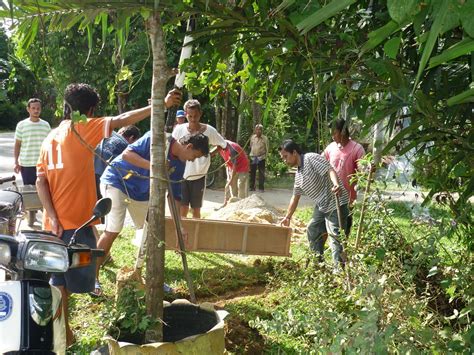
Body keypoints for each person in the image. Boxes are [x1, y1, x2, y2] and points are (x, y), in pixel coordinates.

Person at [36, 83, 180, 347]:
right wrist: (161, 105)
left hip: (53, 224)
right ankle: (61, 335)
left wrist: (52, 217)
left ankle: (62, 335)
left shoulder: (50, 136)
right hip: (75, 224)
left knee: (58, 281)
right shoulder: (83, 127)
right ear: (91, 111)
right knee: (75, 281)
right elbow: (121, 120)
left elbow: (40, 181)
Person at [95, 132, 210, 295]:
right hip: (116, 181)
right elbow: (127, 155)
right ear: (189, 146)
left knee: (154, 233)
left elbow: (174, 197)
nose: (193, 160)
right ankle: (93, 278)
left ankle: (152, 278)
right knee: (113, 229)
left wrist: (180, 227)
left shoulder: (181, 164)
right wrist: (155, 166)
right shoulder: (158, 138)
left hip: (141, 194)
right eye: (195, 156)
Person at [279, 139, 350, 268]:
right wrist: (287, 217)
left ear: (294, 152)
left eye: (285, 156)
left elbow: (330, 170)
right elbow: (295, 197)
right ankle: (318, 264)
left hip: (335, 202)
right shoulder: (298, 174)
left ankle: (339, 271)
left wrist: (336, 184)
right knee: (313, 229)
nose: (284, 160)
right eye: (283, 158)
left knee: (335, 237)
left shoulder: (310, 158)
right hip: (322, 205)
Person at [172, 99, 227, 218]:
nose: (192, 119)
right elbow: (172, 147)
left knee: (196, 209)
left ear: (200, 114)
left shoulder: (209, 131)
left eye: (195, 116)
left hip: (199, 175)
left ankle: (195, 233)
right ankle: (182, 232)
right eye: (189, 116)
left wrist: (208, 154)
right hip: (181, 175)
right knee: (182, 207)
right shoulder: (179, 130)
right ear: (186, 115)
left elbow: (222, 144)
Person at [14, 98, 51, 226]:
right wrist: (16, 162)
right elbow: (17, 145)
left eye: (38, 108)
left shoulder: (46, 125)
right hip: (26, 163)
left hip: (43, 164)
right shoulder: (21, 125)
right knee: (30, 191)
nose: (36, 110)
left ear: (41, 109)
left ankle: (46, 215)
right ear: (28, 109)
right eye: (33, 108)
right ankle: (32, 217)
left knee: (45, 189)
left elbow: (50, 145)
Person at [323, 119, 365, 205]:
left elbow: (363, 169)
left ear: (343, 132)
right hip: (330, 195)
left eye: (334, 133)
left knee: (346, 218)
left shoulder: (357, 149)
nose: (332, 137)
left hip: (348, 198)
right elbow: (320, 162)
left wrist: (367, 170)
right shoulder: (330, 147)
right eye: (331, 134)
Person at [94, 125, 141, 199]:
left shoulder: (109, 133)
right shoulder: (127, 147)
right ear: (131, 138)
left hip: (90, 170)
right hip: (103, 177)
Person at [217, 139, 250, 207]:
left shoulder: (231, 149)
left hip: (242, 166)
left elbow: (235, 165)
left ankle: (242, 204)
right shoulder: (219, 146)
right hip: (232, 166)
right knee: (230, 186)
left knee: (240, 185)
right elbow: (227, 160)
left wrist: (231, 179)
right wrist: (228, 169)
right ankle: (228, 204)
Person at [249, 123, 269, 192]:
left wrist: (265, 156)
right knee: (252, 173)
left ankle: (261, 188)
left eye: (260, 130)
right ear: (255, 130)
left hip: (261, 157)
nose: (258, 131)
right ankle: (252, 187)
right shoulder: (252, 137)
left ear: (262, 130)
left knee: (261, 173)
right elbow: (251, 145)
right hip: (253, 157)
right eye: (257, 129)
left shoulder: (265, 138)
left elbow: (267, 148)